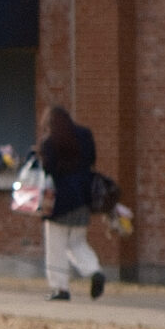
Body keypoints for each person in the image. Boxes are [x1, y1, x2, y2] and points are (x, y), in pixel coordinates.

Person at [39, 104, 106, 301]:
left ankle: (60, 288)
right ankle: (94, 270)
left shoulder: (49, 142)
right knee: (77, 242)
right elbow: (93, 159)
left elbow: (47, 169)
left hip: (58, 201)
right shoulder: (85, 135)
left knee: (56, 246)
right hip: (83, 197)